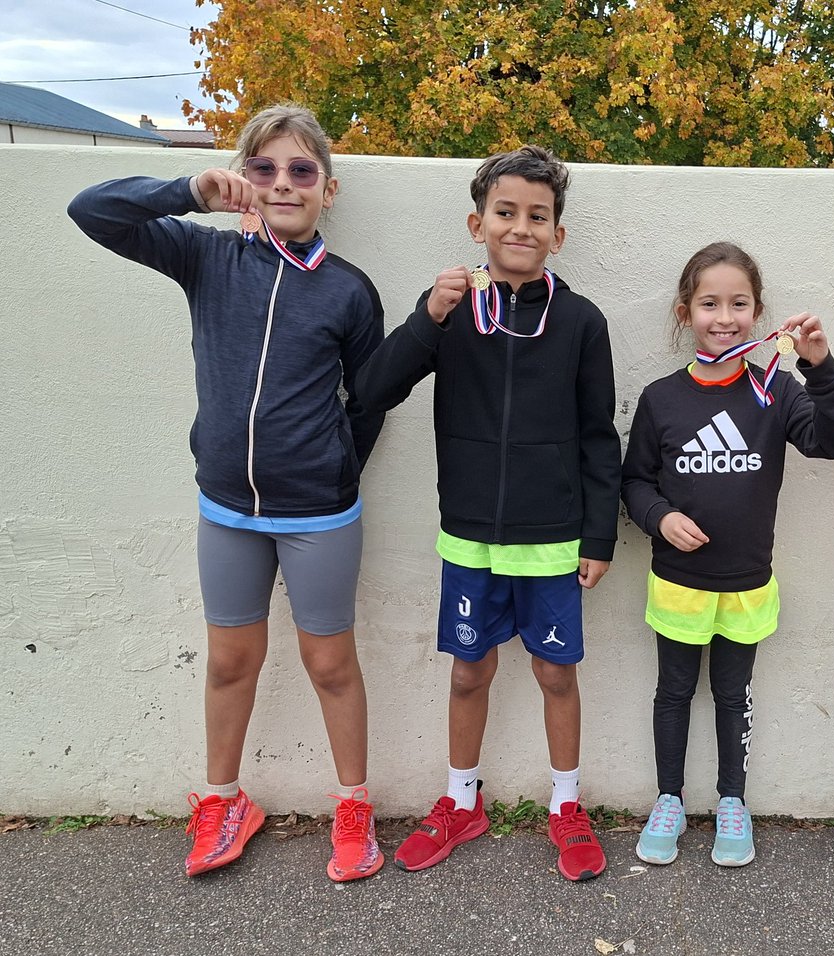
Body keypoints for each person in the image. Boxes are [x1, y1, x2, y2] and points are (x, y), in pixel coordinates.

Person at [68, 105, 386, 883]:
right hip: (226, 509)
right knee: (229, 662)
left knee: (330, 664)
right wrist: (187, 189)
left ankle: (354, 807)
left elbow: (370, 400)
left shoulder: (350, 291)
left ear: (328, 190)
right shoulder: (207, 257)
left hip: (319, 514)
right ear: (246, 179)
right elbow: (92, 211)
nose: (284, 184)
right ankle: (223, 799)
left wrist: (333, 465)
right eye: (267, 169)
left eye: (301, 171)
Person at [354, 145, 621, 882]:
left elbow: (601, 436)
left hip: (553, 541)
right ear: (478, 223)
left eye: (539, 216)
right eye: (506, 213)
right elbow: (372, 389)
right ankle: (460, 800)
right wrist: (425, 317)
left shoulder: (582, 323)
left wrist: (598, 532)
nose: (522, 227)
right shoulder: (451, 311)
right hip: (469, 535)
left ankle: (566, 804)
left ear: (558, 234)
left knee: (554, 673)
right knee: (469, 673)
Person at [621, 242, 834, 867]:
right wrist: (660, 517)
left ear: (757, 312)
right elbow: (634, 480)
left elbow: (832, 443)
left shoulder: (777, 391)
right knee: (673, 693)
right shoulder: (662, 398)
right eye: (708, 304)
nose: (724, 317)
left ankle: (732, 801)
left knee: (732, 696)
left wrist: (823, 369)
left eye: (739, 304)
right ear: (684, 312)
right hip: (678, 581)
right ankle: (668, 799)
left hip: (747, 581)